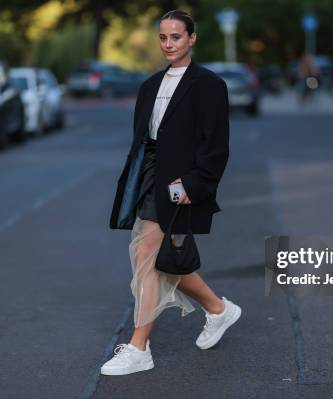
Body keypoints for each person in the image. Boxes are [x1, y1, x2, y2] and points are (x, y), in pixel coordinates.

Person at [103, 10, 242, 376]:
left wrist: (194, 185)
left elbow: (217, 146)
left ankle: (139, 347)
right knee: (161, 257)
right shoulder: (149, 85)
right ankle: (218, 309)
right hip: (149, 177)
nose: (168, 44)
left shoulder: (209, 85)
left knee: (148, 252)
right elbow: (144, 141)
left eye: (176, 37)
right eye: (163, 38)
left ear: (192, 39)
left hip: (179, 182)